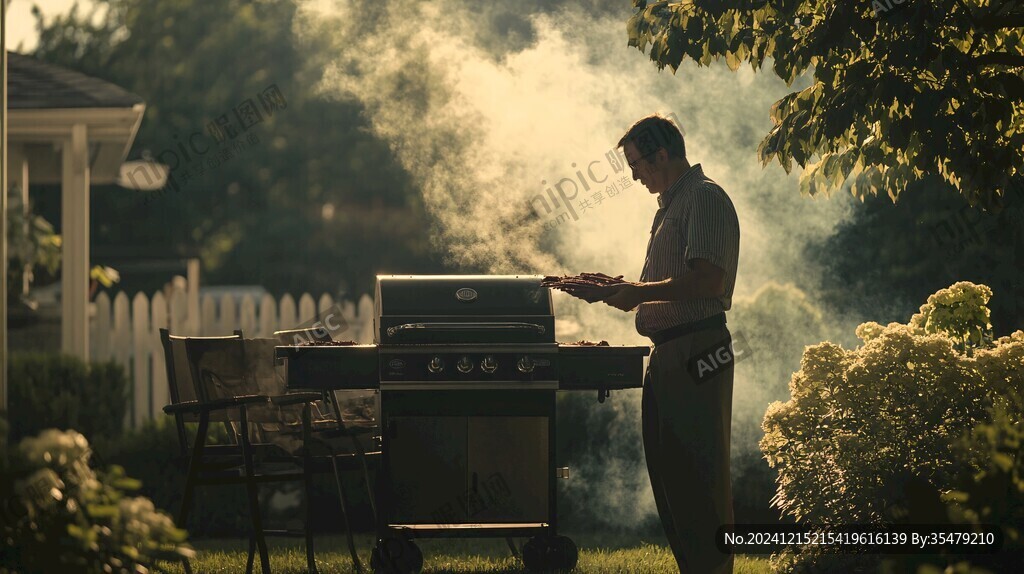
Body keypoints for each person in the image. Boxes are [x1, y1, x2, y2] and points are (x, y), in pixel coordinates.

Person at [573, 114, 740, 573]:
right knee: (673, 478)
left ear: (662, 155)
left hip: (697, 348)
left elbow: (709, 281)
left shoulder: (703, 197)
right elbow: (672, 282)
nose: (634, 176)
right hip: (670, 351)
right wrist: (618, 288)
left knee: (698, 474)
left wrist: (638, 293)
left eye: (637, 164)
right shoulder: (672, 204)